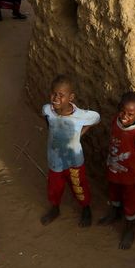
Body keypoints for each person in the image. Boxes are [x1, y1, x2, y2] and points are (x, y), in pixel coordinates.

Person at [40, 75, 100, 227]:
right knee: (54, 187)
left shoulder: (80, 115)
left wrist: (78, 134)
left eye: (61, 95)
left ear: (71, 97)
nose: (56, 98)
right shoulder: (47, 110)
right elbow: (48, 121)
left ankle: (86, 208)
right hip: (55, 160)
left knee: (79, 186)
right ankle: (55, 208)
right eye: (53, 94)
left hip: (74, 161)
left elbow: (96, 118)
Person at [98, 92, 135, 250]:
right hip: (114, 169)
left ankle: (130, 230)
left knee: (130, 201)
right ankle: (115, 213)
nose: (125, 116)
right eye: (122, 111)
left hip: (130, 176)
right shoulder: (115, 121)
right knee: (113, 192)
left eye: (130, 114)